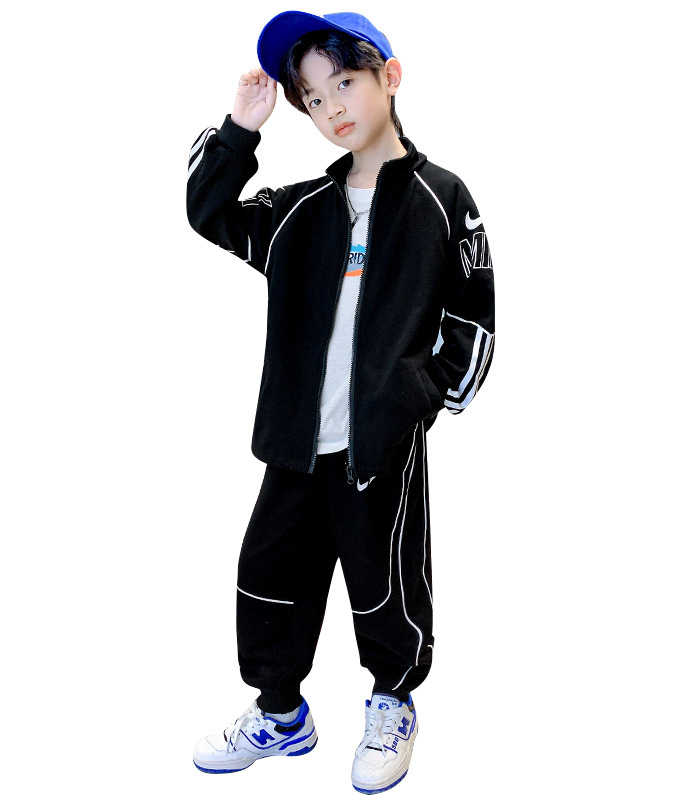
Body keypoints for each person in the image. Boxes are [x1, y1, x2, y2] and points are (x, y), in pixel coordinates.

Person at [186, 10, 495, 794]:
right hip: (295, 442)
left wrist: (417, 399)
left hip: (378, 445)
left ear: (390, 75)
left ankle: (392, 702)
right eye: (314, 99)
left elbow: (474, 315)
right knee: (268, 575)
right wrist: (240, 129)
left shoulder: (440, 198)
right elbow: (209, 213)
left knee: (384, 579)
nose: (332, 108)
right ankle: (281, 714)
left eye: (345, 82)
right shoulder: (300, 211)